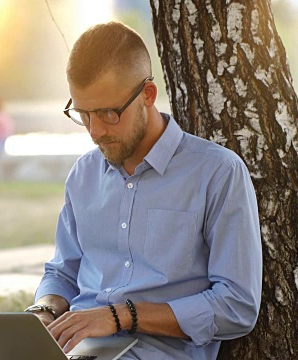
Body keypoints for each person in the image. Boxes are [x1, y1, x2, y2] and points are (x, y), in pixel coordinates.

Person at [23, 21, 262, 359]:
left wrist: (119, 316)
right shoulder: (83, 175)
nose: (95, 131)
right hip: (76, 351)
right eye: (83, 114)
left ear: (147, 95)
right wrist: (44, 312)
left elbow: (237, 306)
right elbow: (63, 272)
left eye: (108, 113)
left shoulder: (218, 173)